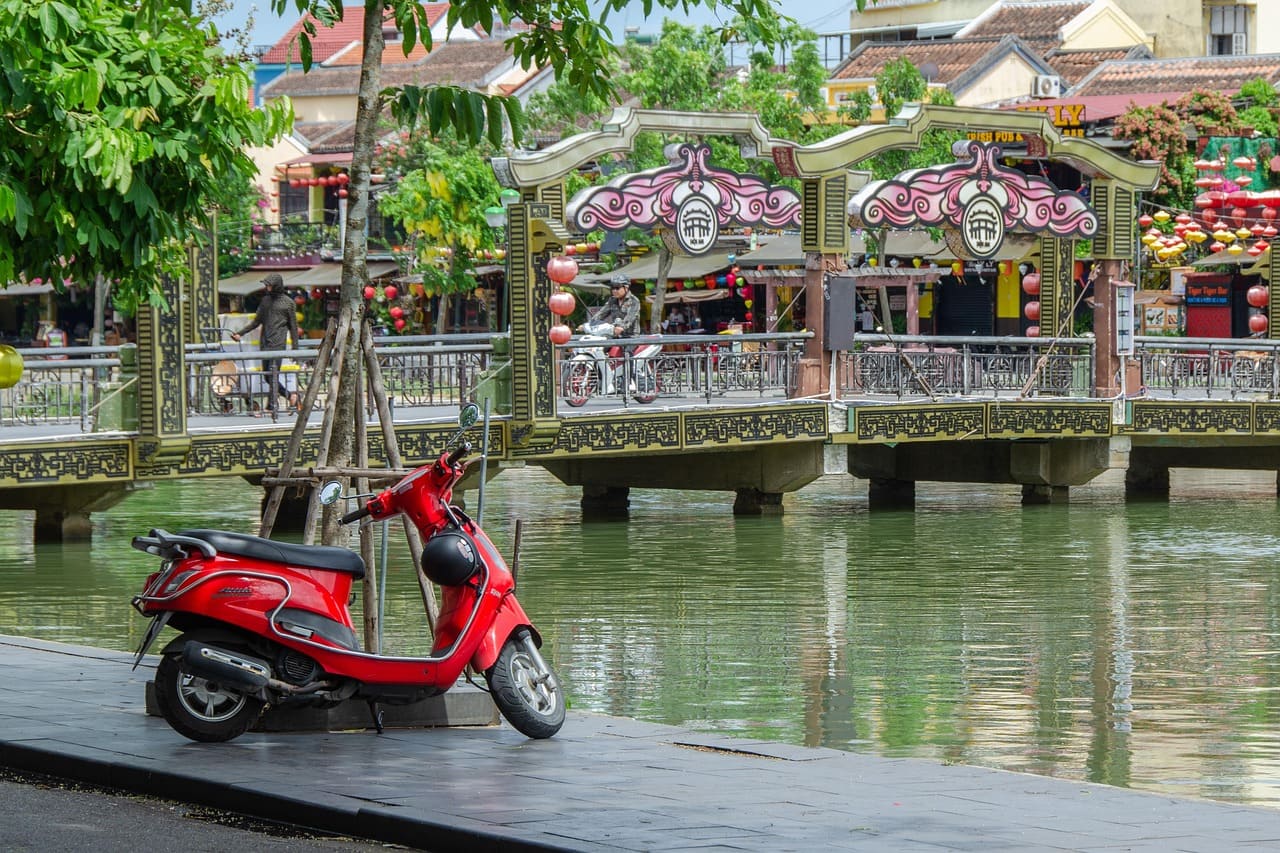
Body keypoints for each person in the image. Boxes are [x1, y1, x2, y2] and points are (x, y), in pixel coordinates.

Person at [231, 273, 301, 415]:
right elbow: (256, 322)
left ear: (276, 285)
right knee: (268, 376)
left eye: (269, 285)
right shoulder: (265, 301)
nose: (267, 287)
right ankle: (290, 396)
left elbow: (293, 327)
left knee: (273, 375)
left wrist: (295, 350)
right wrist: (240, 333)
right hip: (265, 343)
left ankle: (271, 406)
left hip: (278, 343)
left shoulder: (288, 303)